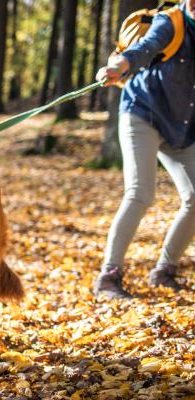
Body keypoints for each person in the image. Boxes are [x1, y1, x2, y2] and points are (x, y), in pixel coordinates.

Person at [94, 0, 195, 299]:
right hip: (144, 115)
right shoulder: (172, 22)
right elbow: (145, 49)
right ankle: (108, 277)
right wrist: (118, 67)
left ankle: (165, 271)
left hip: (182, 127)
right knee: (140, 193)